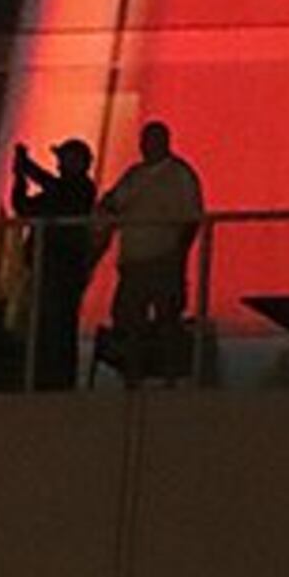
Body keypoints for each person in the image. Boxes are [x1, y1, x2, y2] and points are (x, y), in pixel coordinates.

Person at [98, 119, 206, 382]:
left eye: (152, 141)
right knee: (129, 321)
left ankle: (170, 378)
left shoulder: (180, 175)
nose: (146, 146)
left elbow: (192, 218)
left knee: (167, 321)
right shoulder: (134, 174)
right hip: (133, 262)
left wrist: (178, 255)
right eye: (144, 141)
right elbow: (112, 201)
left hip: (163, 259)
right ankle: (133, 377)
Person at [10, 132, 106, 391]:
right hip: (45, 268)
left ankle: (59, 381)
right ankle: (43, 378)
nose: (59, 164)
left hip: (64, 270)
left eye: (64, 158)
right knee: (44, 325)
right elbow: (24, 207)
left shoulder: (81, 189)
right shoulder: (59, 192)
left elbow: (56, 190)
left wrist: (27, 167)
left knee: (60, 326)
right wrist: (19, 176)